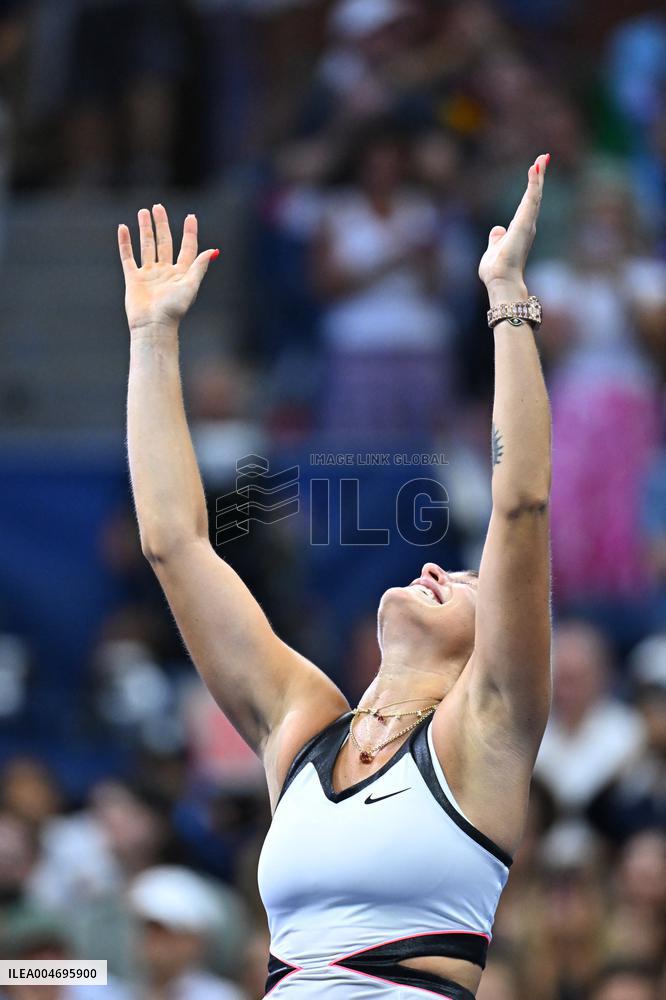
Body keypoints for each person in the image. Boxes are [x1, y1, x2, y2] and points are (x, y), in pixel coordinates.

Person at [117, 152, 553, 998]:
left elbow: (522, 504)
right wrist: (154, 340)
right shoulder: (304, 725)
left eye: (465, 581)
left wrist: (506, 295)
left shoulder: (488, 733)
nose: (437, 566)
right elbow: (175, 543)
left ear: (491, 642)